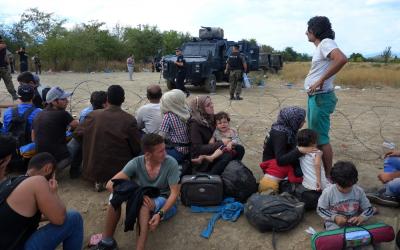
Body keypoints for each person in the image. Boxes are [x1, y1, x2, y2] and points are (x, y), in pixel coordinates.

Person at [92, 134, 180, 250]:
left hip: (163, 197)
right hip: (141, 194)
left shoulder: (170, 163)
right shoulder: (137, 162)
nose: (165, 153)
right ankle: (107, 242)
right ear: (148, 155)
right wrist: (136, 196)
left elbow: (174, 193)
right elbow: (110, 184)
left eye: (164, 149)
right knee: (115, 197)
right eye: (160, 151)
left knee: (143, 205)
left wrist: (160, 213)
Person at [0, 152, 83, 250]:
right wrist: (54, 193)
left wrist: (50, 214)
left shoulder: (12, 182)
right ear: (48, 168)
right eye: (53, 174)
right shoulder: (38, 181)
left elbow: (19, 218)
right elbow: (60, 219)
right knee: (74, 218)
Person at [74, 85, 141, 191]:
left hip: (92, 170)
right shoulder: (129, 120)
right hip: (118, 171)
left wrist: (90, 144)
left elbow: (77, 134)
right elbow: (137, 147)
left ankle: (100, 180)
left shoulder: (93, 115)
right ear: (123, 100)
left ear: (107, 99)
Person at [305, 16, 347, 177]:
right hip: (316, 97)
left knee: (321, 139)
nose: (306, 33)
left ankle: (328, 175)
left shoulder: (326, 43)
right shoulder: (322, 47)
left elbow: (342, 59)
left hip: (321, 97)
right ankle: (322, 172)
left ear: (315, 31)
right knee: (316, 136)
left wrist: (320, 80)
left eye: (308, 29)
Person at [258, 106, 317, 193]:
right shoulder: (280, 134)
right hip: (274, 167)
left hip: (283, 161)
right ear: (293, 120)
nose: (304, 122)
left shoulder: (288, 129)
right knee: (301, 173)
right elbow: (280, 160)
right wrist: (300, 151)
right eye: (301, 120)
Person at [189, 95, 244, 175]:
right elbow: (198, 149)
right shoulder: (195, 124)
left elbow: (223, 122)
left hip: (214, 149)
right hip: (203, 156)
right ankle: (212, 176)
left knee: (239, 149)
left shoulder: (210, 117)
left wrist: (229, 132)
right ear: (200, 108)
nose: (212, 105)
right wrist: (221, 142)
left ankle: (229, 171)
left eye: (211, 103)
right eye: (208, 105)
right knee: (227, 155)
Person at [317, 161, 374, 230]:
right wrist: (334, 217)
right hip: (335, 222)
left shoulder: (359, 191)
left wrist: (362, 217)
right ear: (334, 181)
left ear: (355, 181)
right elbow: (321, 209)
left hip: (354, 221)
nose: (346, 190)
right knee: (336, 235)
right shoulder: (328, 192)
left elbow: (369, 209)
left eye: (349, 186)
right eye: (341, 187)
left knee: (364, 233)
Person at [32, 86, 78, 170]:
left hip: (41, 157)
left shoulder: (39, 114)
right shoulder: (63, 114)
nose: (67, 101)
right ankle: (68, 171)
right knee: (79, 139)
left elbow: (33, 137)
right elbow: (78, 126)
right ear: (54, 102)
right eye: (63, 99)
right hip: (56, 158)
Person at [68, 91, 107, 178]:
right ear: (105, 104)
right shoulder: (105, 116)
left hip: (82, 138)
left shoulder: (85, 112)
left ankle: (75, 169)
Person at [158, 89, 190, 164]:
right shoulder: (188, 112)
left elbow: (160, 137)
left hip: (177, 150)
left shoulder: (168, 116)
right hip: (189, 149)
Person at [0, 36, 18, 100]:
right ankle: (14, 94)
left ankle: (14, 94)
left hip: (3, 67)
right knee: (8, 82)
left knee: (8, 82)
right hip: (4, 67)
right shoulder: (4, 45)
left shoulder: (2, 45)